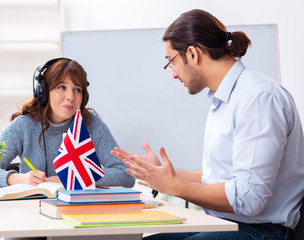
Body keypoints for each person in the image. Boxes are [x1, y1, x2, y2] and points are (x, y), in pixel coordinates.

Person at [111, 9, 304, 240]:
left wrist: (173, 186)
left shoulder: (258, 98)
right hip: (222, 223)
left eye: (171, 62)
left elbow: (249, 197)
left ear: (192, 53)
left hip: (261, 231)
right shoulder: (223, 98)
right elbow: (221, 178)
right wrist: (165, 174)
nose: (173, 74)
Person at [0, 57, 135, 189]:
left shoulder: (90, 123)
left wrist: (75, 177)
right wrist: (16, 178)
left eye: (77, 90)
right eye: (62, 87)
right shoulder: (23, 126)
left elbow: (125, 174)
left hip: (79, 209)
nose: (70, 97)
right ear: (44, 91)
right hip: (33, 207)